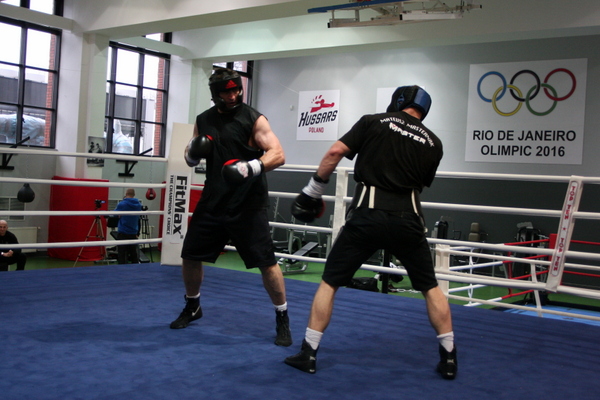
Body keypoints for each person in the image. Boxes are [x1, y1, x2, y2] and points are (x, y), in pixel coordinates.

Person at [284, 85, 458, 379]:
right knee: (430, 287)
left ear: (398, 101)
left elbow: (335, 152)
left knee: (330, 281)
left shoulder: (374, 121)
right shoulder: (434, 143)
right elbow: (419, 182)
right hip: (409, 219)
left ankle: (308, 353)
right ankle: (450, 359)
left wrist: (313, 191)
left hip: (368, 215)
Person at [171, 67, 292, 347]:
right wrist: (192, 154)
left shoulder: (254, 119)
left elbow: (278, 154)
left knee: (266, 263)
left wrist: (251, 167)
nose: (233, 95)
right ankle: (193, 305)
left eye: (236, 89)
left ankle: (282, 317)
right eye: (227, 92)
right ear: (216, 94)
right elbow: (190, 158)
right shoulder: (204, 120)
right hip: (213, 201)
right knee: (190, 255)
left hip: (247, 204)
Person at [114, 188, 143, 264]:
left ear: (126, 194)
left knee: (122, 254)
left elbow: (114, 214)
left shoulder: (122, 204)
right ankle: (135, 269)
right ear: (134, 195)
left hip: (123, 232)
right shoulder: (139, 205)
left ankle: (122, 269)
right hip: (133, 232)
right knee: (133, 253)